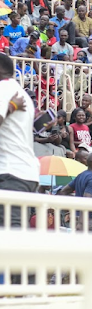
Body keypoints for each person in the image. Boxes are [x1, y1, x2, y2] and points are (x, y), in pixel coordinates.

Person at [0, 53, 39, 227]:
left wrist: (10, 107)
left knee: (9, 234)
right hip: (23, 173)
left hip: (11, 173)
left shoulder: (3, 89)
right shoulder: (18, 91)